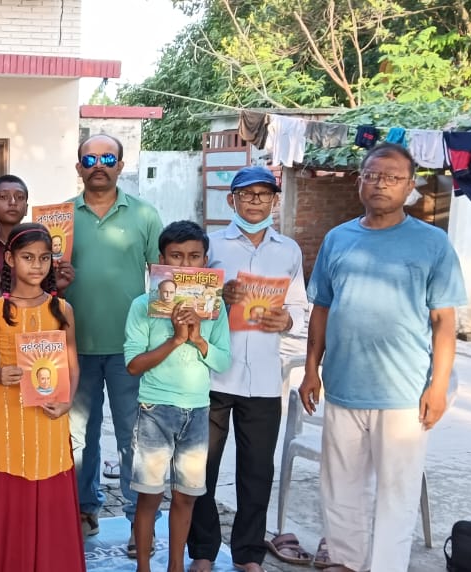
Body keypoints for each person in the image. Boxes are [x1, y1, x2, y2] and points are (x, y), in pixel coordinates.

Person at [300, 144, 466, 572]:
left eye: (393, 178)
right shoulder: (338, 238)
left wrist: (439, 386)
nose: (380, 184)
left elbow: (444, 322)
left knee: (397, 493)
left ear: (410, 186)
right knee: (339, 488)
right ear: (359, 181)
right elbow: (321, 307)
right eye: (372, 175)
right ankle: (346, 562)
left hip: (405, 392)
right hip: (343, 385)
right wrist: (310, 371)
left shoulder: (433, 243)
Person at [187, 166, 309, 572]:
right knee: (202, 467)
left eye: (263, 194)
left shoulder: (288, 250)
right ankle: (203, 551)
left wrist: (287, 322)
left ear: (275, 200)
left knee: (257, 472)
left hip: (263, 378)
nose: (255, 201)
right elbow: (186, 299)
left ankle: (249, 554)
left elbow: (298, 307)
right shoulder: (212, 246)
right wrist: (216, 295)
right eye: (246, 194)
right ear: (232, 200)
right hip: (212, 374)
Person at [64, 133, 163, 549]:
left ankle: (139, 524)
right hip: (71, 346)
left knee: (133, 437)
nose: (98, 165)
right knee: (77, 438)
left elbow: (165, 281)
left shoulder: (144, 215)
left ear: (121, 166)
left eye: (108, 157)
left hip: (131, 349)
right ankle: (84, 509)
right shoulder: (60, 216)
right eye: (90, 158)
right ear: (79, 167)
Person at [0, 223, 83, 572]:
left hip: (50, 415)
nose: (36, 266)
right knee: (12, 493)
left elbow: (73, 366)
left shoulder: (61, 310)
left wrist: (67, 402)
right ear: (9, 259)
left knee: (51, 491)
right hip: (9, 418)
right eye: (28, 258)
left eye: (44, 258)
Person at [124, 220, 231, 572]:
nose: (185, 265)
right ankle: (143, 566)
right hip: (155, 410)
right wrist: (174, 339)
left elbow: (223, 360)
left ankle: (175, 566)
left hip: (198, 411)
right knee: (149, 496)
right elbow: (134, 365)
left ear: (205, 261)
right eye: (176, 256)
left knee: (186, 496)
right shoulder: (143, 305)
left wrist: (199, 339)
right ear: (160, 260)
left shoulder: (213, 308)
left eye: (194, 257)